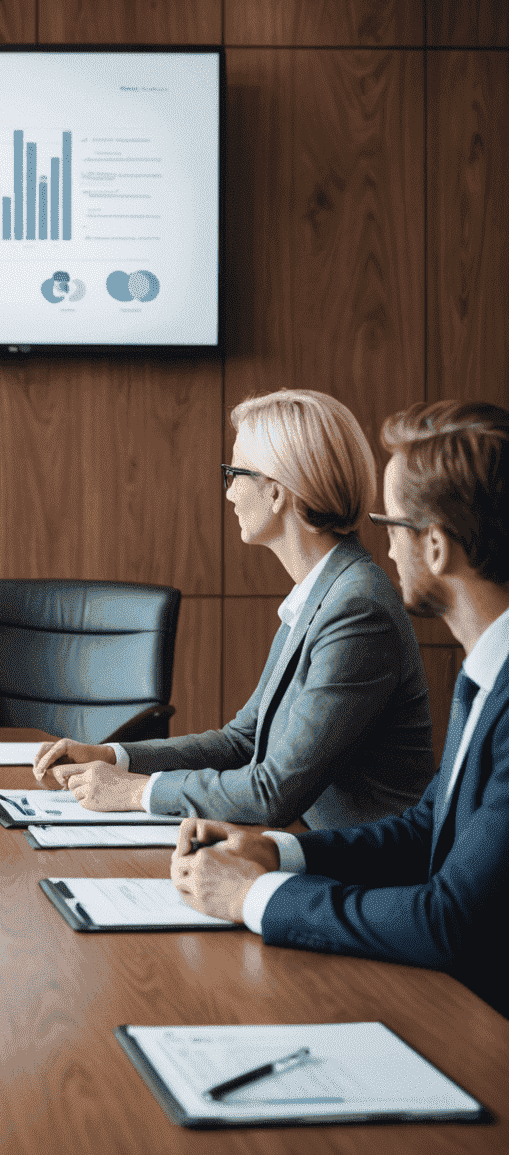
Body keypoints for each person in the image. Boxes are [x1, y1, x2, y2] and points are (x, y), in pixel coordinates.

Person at [173, 401, 509, 1019]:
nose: (384, 545)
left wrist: (258, 896)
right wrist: (277, 853)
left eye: (392, 524)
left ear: (434, 546)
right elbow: (425, 828)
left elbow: (448, 922)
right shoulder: (485, 672)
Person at [33, 389, 432, 828]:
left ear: (277, 493)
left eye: (235, 473)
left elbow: (272, 792)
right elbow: (243, 741)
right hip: (315, 853)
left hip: (363, 878)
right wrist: (113, 756)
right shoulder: (325, 592)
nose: (229, 494)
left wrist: (135, 792)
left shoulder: (357, 611)